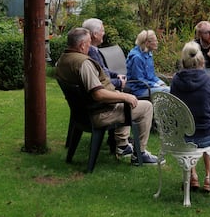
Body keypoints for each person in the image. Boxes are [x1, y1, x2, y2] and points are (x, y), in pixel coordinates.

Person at [55, 27, 160, 165]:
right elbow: (98, 94)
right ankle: (140, 154)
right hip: (99, 114)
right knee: (146, 107)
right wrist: (124, 97)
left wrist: (119, 94)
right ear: (81, 45)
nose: (89, 46)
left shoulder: (63, 60)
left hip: (81, 114)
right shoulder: (83, 63)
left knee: (122, 96)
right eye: (88, 43)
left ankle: (122, 145)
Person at [168, 41, 210, 191]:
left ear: (183, 60)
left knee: (192, 130)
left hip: (182, 137)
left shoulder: (176, 81)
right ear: (201, 60)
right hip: (205, 135)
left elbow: (173, 109)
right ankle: (208, 177)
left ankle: (193, 176)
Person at [82, 17, 126, 90]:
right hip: (107, 92)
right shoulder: (91, 53)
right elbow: (99, 81)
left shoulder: (94, 50)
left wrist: (117, 75)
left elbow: (103, 69)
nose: (104, 33)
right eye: (102, 31)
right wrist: (119, 82)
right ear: (95, 34)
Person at [126, 29, 168, 99]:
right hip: (138, 90)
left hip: (148, 86)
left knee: (167, 88)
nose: (157, 42)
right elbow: (139, 81)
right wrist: (156, 85)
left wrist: (160, 82)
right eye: (155, 41)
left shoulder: (148, 53)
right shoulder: (137, 58)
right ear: (147, 43)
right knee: (167, 91)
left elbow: (152, 75)